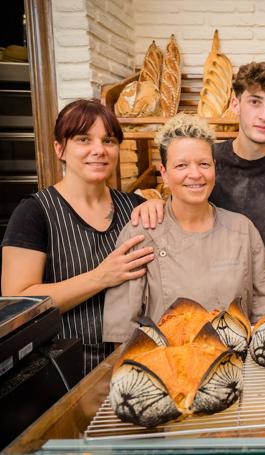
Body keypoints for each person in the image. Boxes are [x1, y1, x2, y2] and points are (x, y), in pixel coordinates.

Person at [132, 62, 265, 300]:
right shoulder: (209, 160)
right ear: (235, 105)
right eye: (254, 102)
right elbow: (184, 207)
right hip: (220, 293)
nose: (264, 115)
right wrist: (157, 203)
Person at [1, 99, 154, 375]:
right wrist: (101, 277)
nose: (99, 150)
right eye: (84, 139)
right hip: (66, 371)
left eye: (108, 140)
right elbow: (18, 301)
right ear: (60, 148)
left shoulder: (134, 207)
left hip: (134, 363)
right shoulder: (35, 212)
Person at [102, 114, 265, 344]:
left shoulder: (242, 230)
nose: (195, 174)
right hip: (168, 367)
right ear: (164, 173)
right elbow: (123, 330)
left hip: (236, 367)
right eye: (181, 165)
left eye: (204, 164)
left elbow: (264, 310)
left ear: (214, 167)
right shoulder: (141, 234)